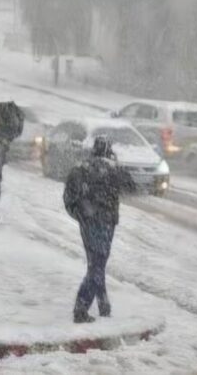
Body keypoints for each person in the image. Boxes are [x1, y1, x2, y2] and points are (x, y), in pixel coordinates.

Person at [63, 136, 135, 323]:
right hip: (105, 223)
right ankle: (81, 308)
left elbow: (69, 198)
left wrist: (82, 215)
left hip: (87, 223)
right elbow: (131, 186)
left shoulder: (82, 168)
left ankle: (104, 304)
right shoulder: (111, 169)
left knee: (95, 264)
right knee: (98, 265)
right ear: (108, 151)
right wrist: (116, 164)